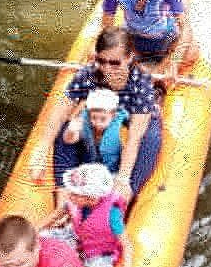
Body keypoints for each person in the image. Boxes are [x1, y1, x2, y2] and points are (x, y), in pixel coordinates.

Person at [30, 27, 162, 204]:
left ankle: (124, 197)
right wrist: (43, 146)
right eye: (101, 61)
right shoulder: (89, 74)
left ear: (129, 58)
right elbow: (61, 109)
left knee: (152, 138)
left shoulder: (141, 82)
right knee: (65, 129)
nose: (107, 68)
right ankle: (63, 199)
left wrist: (122, 178)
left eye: (114, 63)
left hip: (133, 117)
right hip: (100, 115)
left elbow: (134, 138)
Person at [41, 162, 134, 267]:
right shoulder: (74, 201)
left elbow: (127, 244)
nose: (70, 195)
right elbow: (55, 216)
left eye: (75, 193)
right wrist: (33, 230)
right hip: (76, 236)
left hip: (100, 252)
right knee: (40, 238)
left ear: (91, 198)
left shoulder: (111, 214)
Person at [62, 88, 128, 174]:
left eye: (103, 119)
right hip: (88, 170)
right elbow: (69, 140)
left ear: (113, 116)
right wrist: (71, 130)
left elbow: (126, 151)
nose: (97, 123)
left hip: (112, 171)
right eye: (93, 118)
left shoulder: (120, 128)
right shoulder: (85, 121)